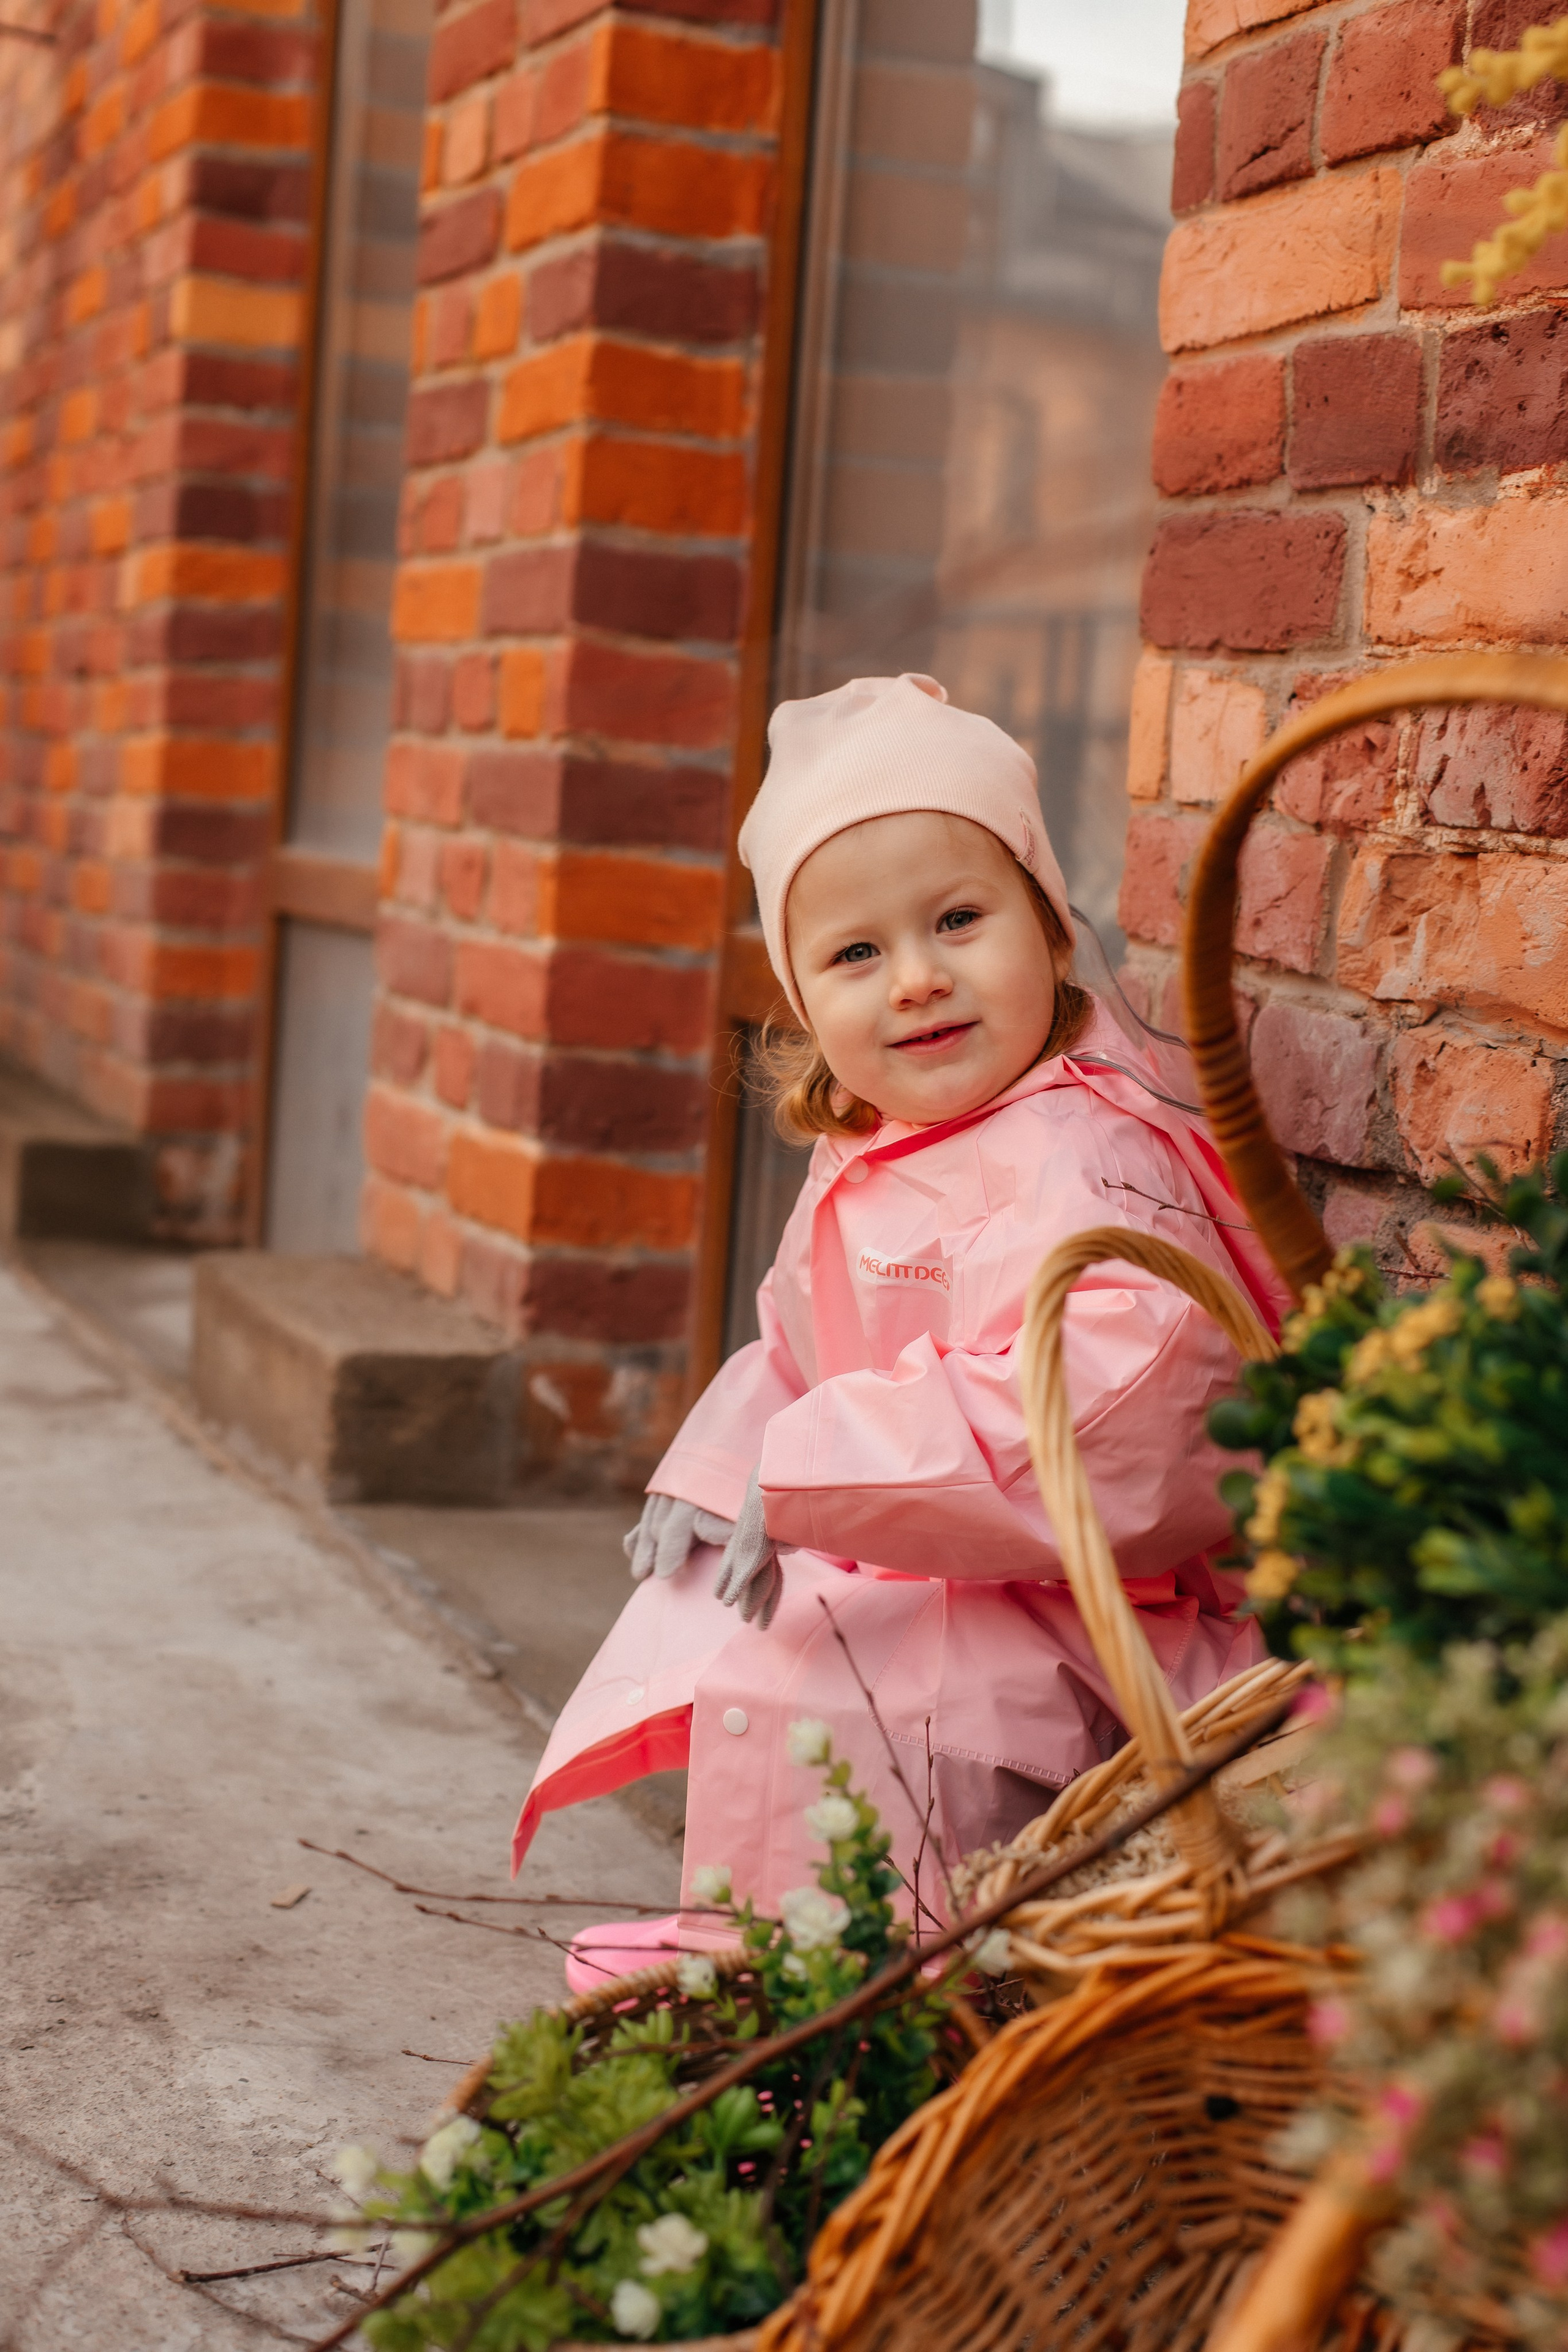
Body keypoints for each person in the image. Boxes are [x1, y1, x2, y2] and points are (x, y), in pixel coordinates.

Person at [510, 673, 1288, 1990]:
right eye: (856, 954)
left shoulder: (1083, 1152)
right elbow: (794, 1351)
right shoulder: (871, 1154)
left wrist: (814, 1469)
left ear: (1049, 933)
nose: (918, 980)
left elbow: (1122, 1394)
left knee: (869, 1701)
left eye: (958, 920)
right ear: (804, 1003)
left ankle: (900, 1995)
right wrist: (716, 1475)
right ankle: (780, 1960)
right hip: (904, 1544)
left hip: (1076, 1601)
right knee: (761, 1659)